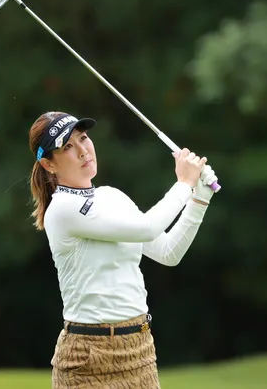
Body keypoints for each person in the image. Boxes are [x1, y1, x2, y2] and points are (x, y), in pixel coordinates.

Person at [27, 110, 218, 389]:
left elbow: (168, 252)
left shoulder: (112, 197)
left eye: (83, 138)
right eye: (67, 146)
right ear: (48, 164)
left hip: (140, 351)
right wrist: (184, 184)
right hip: (87, 358)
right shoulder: (62, 210)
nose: (82, 151)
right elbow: (147, 228)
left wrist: (200, 197)